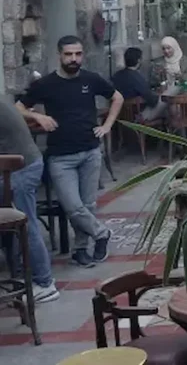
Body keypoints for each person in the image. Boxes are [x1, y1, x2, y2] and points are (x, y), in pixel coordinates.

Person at [17, 35, 124, 268]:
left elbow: (117, 97)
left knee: (87, 206)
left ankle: (80, 250)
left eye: (77, 54)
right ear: (59, 55)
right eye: (68, 54)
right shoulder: (45, 84)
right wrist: (38, 115)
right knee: (73, 206)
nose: (74, 59)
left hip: (90, 151)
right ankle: (102, 233)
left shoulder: (91, 79)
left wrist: (107, 126)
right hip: (60, 156)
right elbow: (18, 108)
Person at [0, 96, 59, 302]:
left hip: (19, 170)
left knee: (26, 224)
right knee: (22, 224)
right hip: (25, 164)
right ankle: (19, 271)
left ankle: (44, 283)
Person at [112, 47, 164, 120]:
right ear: (139, 60)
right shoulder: (137, 78)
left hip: (120, 116)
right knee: (166, 101)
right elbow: (152, 100)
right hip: (138, 116)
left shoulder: (115, 76)